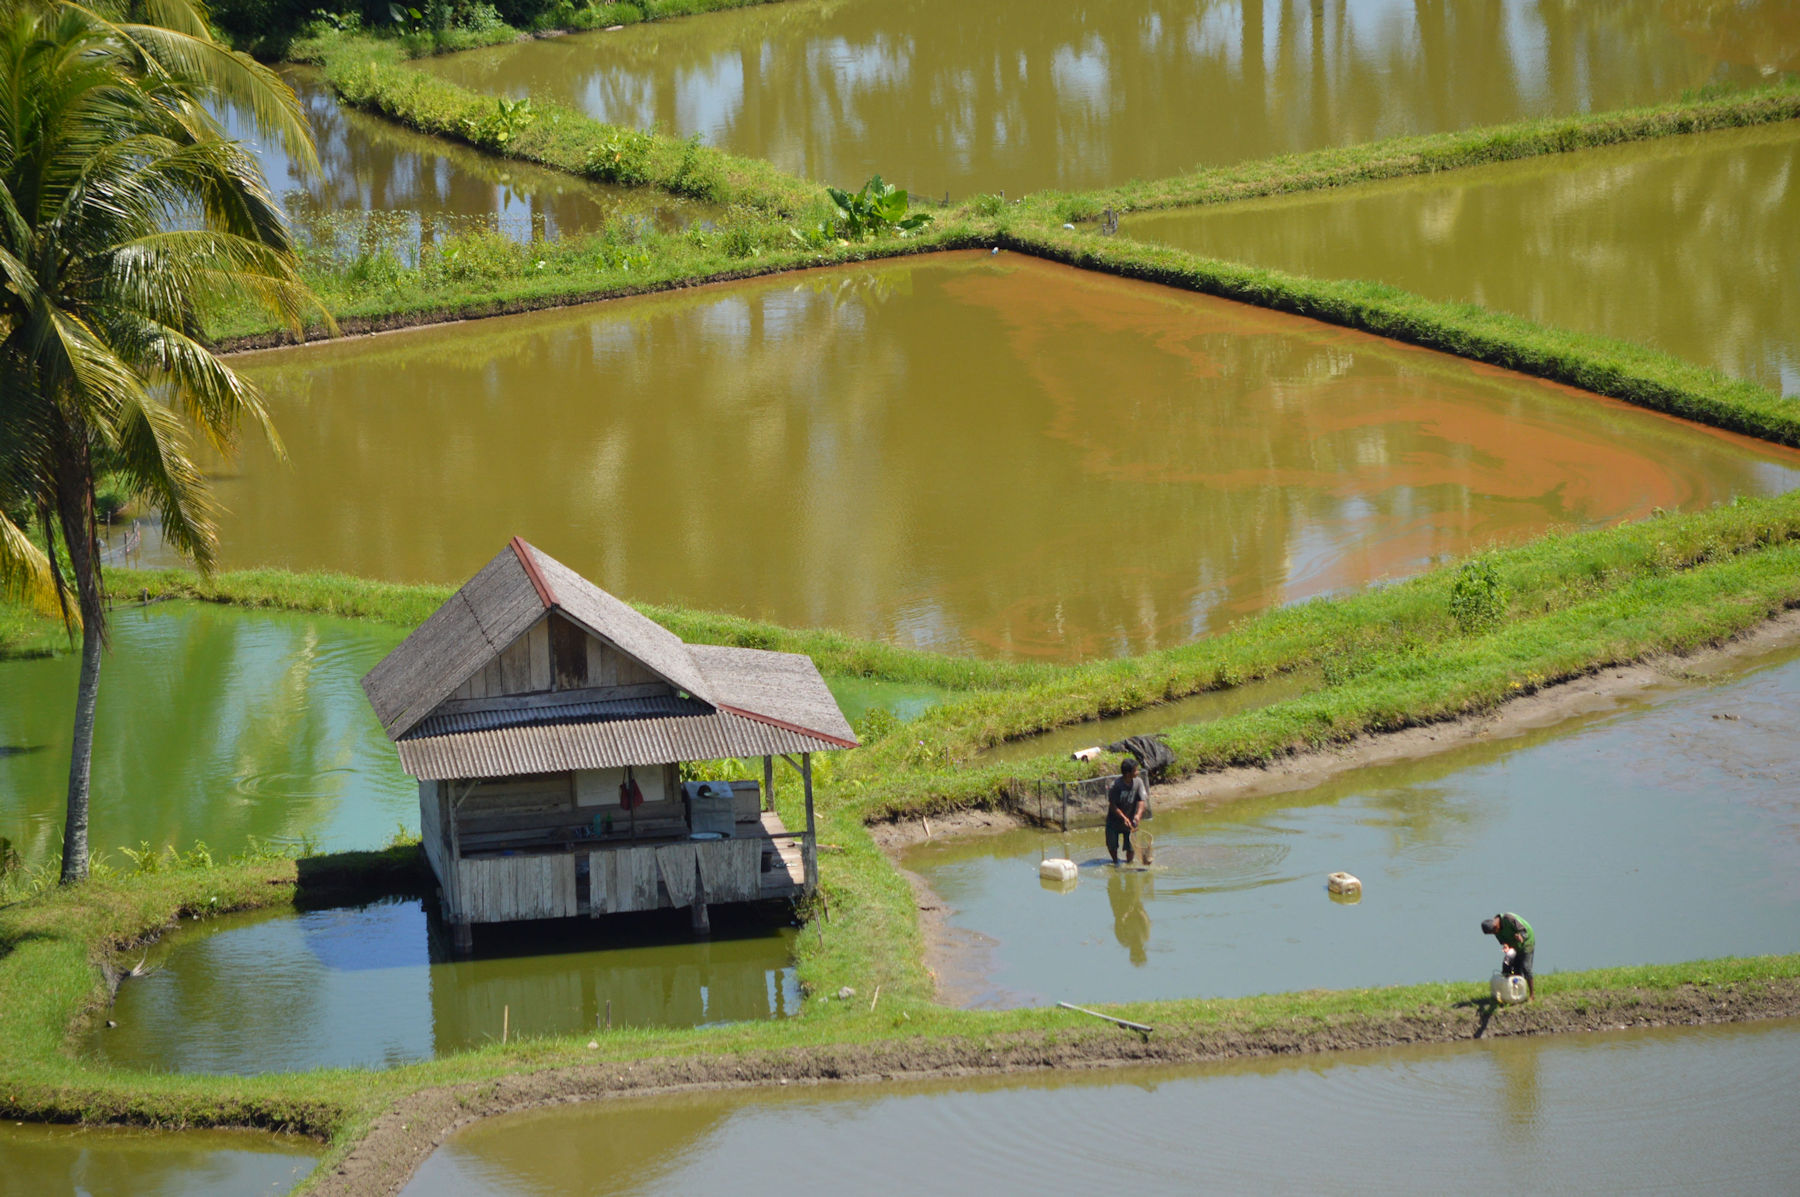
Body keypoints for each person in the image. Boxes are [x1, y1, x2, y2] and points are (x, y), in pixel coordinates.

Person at [1481, 912, 1536, 1000]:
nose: (1495, 934)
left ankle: (1532, 995)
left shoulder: (1509, 919)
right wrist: (1506, 946)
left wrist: (1521, 937)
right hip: (1514, 944)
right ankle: (1516, 994)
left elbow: (1523, 930)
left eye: (1494, 932)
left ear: (1495, 926)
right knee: (1509, 966)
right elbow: (1503, 941)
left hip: (1526, 942)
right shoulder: (1495, 930)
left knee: (1526, 967)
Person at [1106, 758, 1148, 866]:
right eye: (1135, 770)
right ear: (1128, 773)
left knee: (1131, 846)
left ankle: (1129, 864)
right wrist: (1123, 818)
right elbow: (1112, 805)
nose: (1137, 772)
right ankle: (1115, 863)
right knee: (1112, 845)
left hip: (1131, 820)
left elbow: (1141, 800)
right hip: (1114, 821)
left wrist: (1138, 816)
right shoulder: (1116, 786)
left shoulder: (1138, 782)